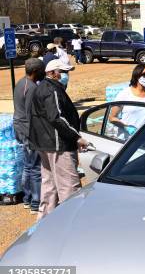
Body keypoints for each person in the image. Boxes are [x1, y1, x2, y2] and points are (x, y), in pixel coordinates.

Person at [29, 59, 89, 219]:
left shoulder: (43, 87)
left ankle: (45, 222)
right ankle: (73, 222)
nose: (66, 75)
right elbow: (56, 117)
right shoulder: (51, 90)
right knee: (69, 187)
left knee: (50, 186)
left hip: (45, 144)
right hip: (58, 145)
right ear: (52, 73)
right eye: (63, 72)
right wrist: (76, 137)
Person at [13, 58, 45, 215]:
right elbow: (30, 114)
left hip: (18, 127)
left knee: (27, 165)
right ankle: (35, 202)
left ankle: (26, 199)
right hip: (27, 131)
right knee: (36, 168)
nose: (43, 73)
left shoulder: (20, 82)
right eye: (41, 71)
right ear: (35, 72)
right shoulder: (32, 88)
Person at [109, 64, 145, 140]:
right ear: (136, 76)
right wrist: (126, 127)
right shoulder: (124, 94)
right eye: (144, 75)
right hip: (126, 140)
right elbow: (112, 118)